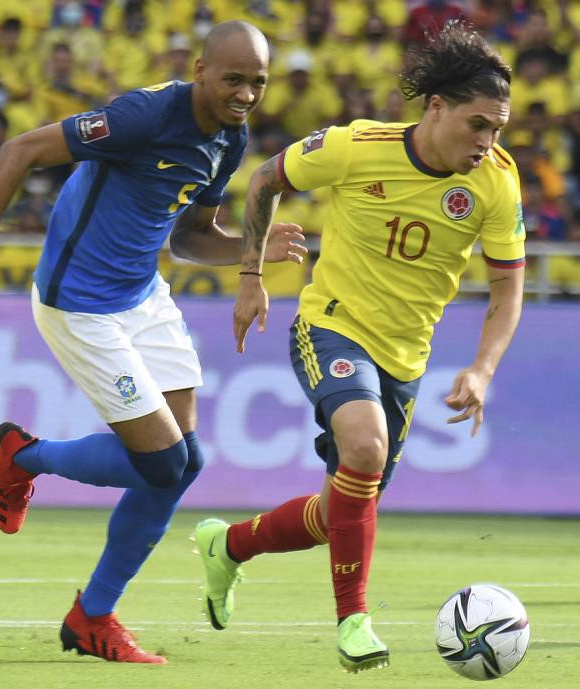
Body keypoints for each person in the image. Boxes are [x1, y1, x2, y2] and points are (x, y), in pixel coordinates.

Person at [0, 20, 305, 664]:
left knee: (186, 462)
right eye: (234, 78)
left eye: (258, 82)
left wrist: (254, 254)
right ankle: (23, 456)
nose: (246, 93)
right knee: (162, 464)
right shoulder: (139, 117)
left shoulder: (229, 138)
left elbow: (189, 236)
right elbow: (18, 151)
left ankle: (92, 614)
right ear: (200, 69)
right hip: (79, 303)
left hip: (142, 294)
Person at [194, 21, 525, 673]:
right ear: (436, 107)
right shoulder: (354, 147)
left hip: (404, 359)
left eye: (498, 130)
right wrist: (252, 276)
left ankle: (227, 545)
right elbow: (265, 179)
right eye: (478, 124)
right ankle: (353, 622)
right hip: (331, 325)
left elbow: (506, 292)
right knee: (365, 448)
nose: (487, 143)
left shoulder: (496, 185)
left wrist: (483, 368)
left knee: (340, 507)